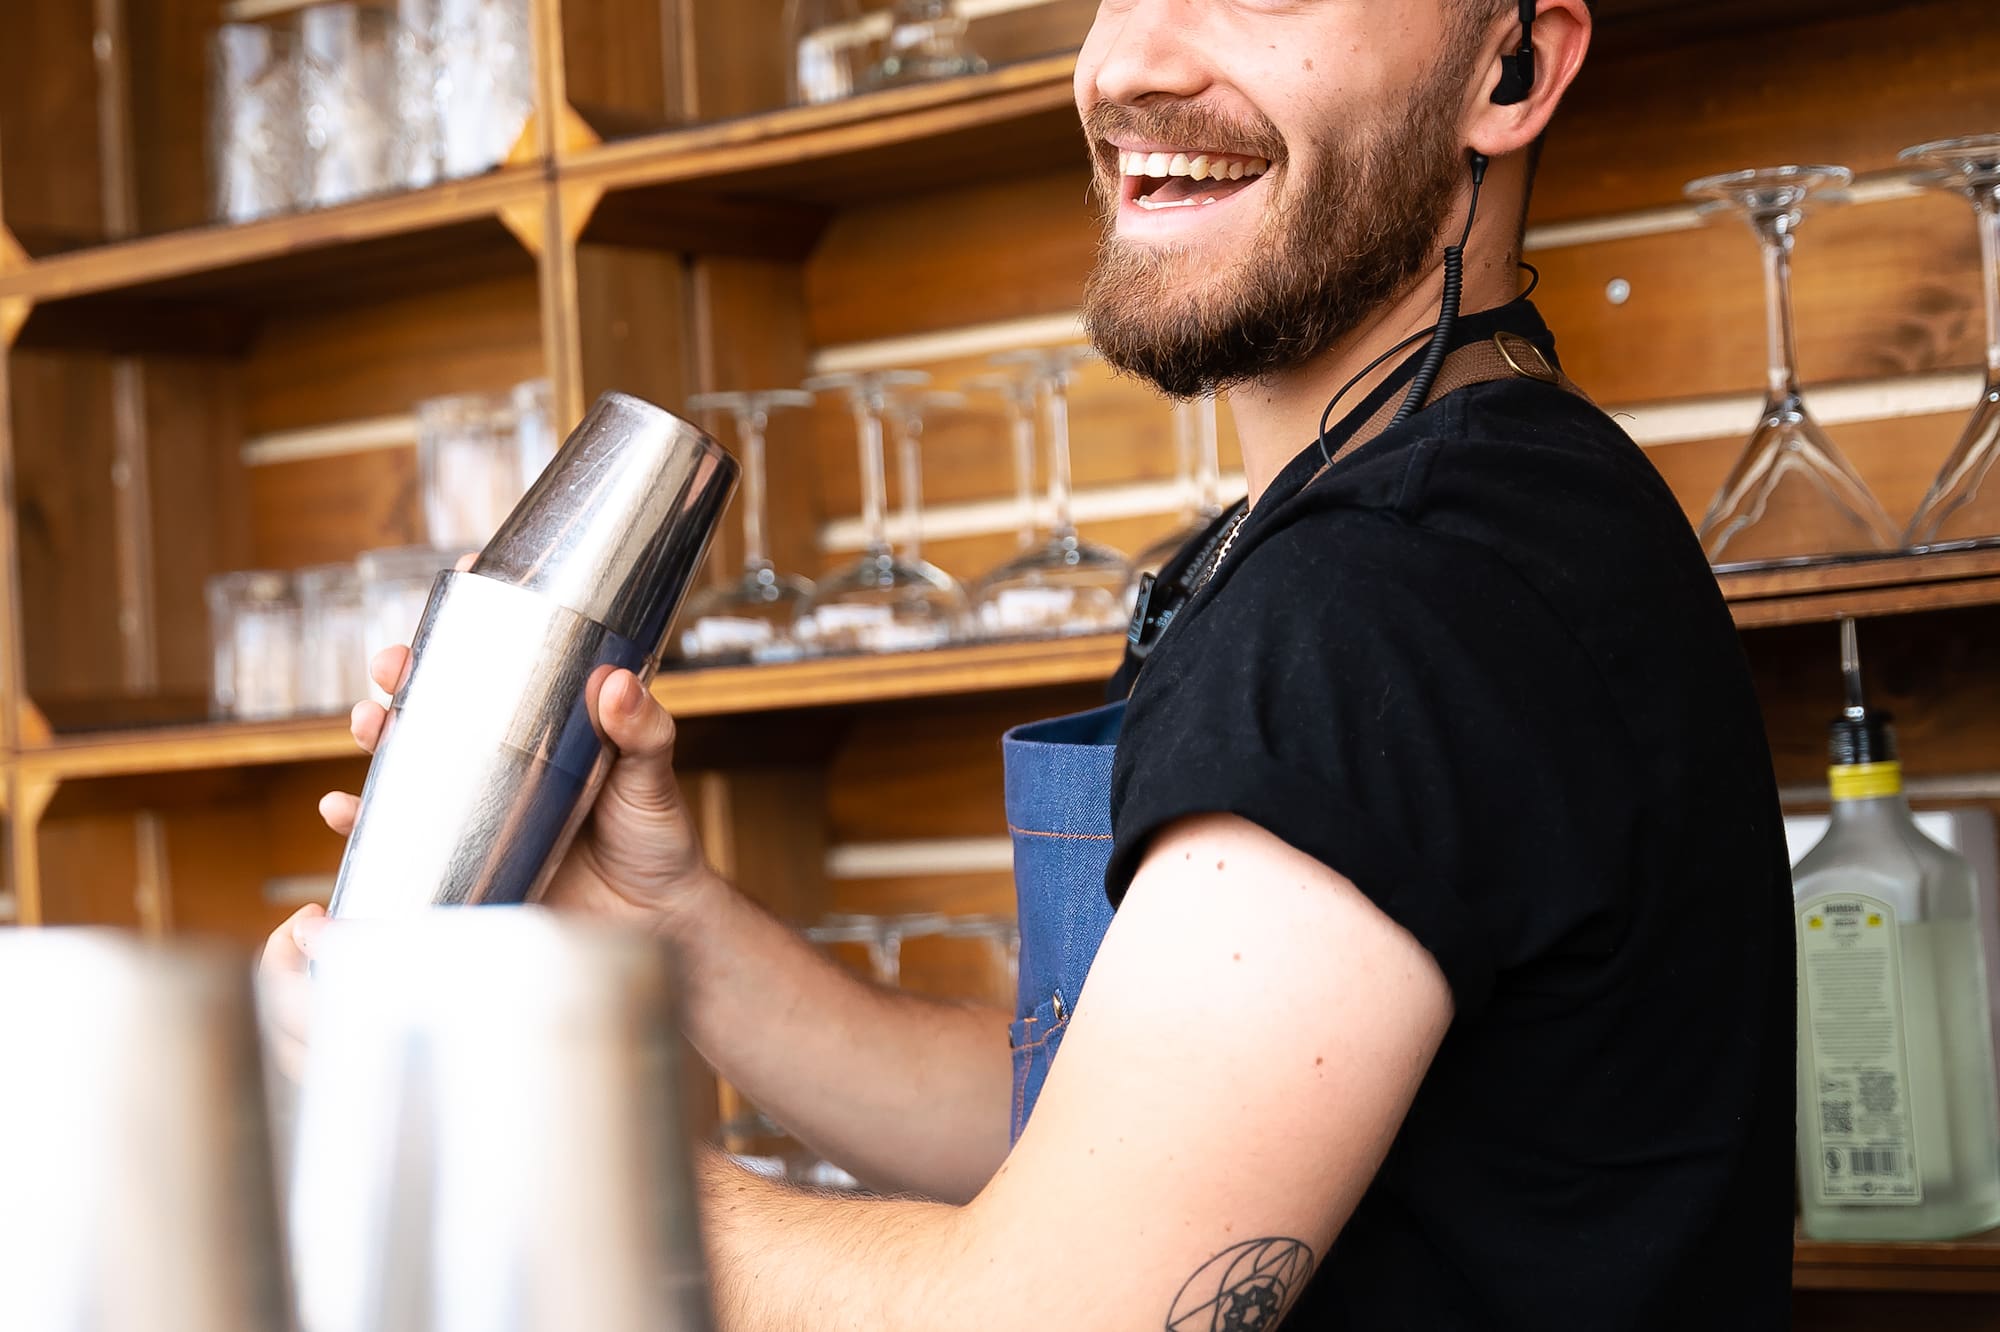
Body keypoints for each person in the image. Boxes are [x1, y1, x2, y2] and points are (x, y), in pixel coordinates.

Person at [266, 0, 1798, 1325]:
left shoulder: (1394, 595)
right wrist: (666, 918)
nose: (1128, 61)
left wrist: (483, 1137)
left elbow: (1060, 1309)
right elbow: (1098, 1142)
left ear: (1513, 71)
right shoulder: (1426, 521)